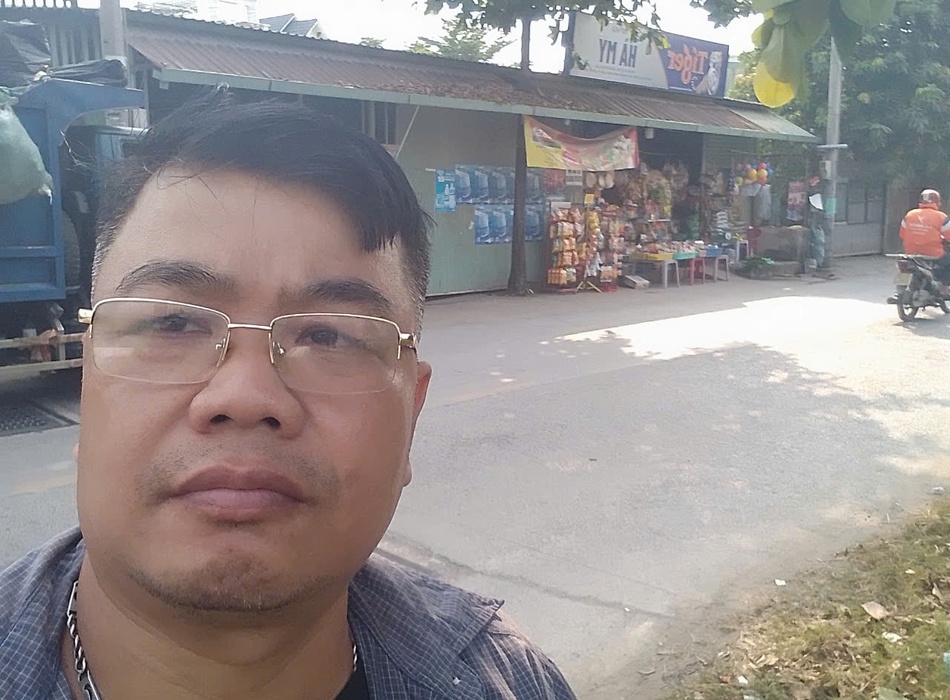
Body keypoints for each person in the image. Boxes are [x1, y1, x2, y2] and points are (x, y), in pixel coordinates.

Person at [0, 90, 576, 700]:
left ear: (411, 415)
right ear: (89, 386)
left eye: (328, 335)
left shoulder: (509, 682)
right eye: (174, 323)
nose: (246, 396)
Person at [899, 188, 950, 292]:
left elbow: (902, 234)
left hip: (911, 252)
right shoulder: (941, 217)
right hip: (933, 253)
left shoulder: (910, 214)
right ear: (937, 202)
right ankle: (943, 287)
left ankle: (899, 292)